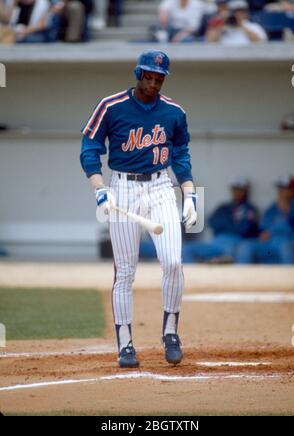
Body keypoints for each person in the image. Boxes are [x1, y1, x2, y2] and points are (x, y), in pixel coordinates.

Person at [80, 50, 197, 368]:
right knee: (125, 272)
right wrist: (100, 189)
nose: (153, 81)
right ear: (137, 73)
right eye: (148, 75)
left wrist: (189, 193)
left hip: (161, 187)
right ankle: (125, 344)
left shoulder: (173, 112)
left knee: (173, 262)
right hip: (123, 187)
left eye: (159, 76)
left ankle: (170, 332)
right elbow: (90, 148)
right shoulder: (111, 106)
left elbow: (181, 153)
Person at [182, 177, 259, 263]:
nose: (237, 192)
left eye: (240, 190)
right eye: (235, 189)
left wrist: (226, 223)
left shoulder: (250, 209)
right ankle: (192, 275)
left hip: (235, 243)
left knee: (236, 253)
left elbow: (246, 229)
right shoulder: (223, 207)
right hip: (216, 241)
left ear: (245, 191)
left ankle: (220, 264)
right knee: (186, 249)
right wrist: (233, 224)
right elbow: (212, 221)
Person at [236, 176, 294, 264]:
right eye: (280, 188)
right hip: (269, 242)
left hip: (288, 241)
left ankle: (289, 277)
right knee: (245, 246)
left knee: (286, 248)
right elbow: (263, 227)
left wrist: (287, 211)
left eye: (285, 188)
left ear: (293, 191)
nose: (281, 191)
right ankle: (242, 276)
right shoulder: (272, 208)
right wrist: (263, 233)